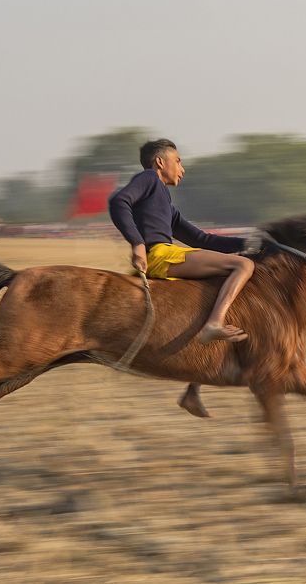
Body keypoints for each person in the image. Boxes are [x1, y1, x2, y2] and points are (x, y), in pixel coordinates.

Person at [108, 138, 255, 418]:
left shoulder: (164, 201)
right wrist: (137, 244)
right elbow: (118, 201)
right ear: (160, 162)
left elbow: (202, 239)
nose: (182, 169)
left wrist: (252, 241)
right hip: (160, 255)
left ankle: (193, 389)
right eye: (178, 161)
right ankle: (213, 324)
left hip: (166, 255)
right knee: (243, 267)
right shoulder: (149, 179)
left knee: (215, 287)